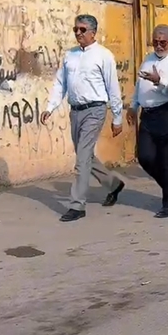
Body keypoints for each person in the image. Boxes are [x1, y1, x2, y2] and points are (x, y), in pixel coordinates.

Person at [41, 14, 124, 222]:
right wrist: (50, 107)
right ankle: (113, 184)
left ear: (93, 32)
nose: (78, 33)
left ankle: (77, 205)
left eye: (83, 29)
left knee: (81, 159)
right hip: (76, 110)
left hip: (95, 110)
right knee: (84, 155)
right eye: (76, 29)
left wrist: (117, 117)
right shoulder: (70, 55)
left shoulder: (103, 56)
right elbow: (61, 83)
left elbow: (113, 88)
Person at [127, 25, 168, 218]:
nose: (159, 45)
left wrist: (159, 80)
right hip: (148, 114)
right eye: (155, 42)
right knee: (145, 156)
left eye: (163, 42)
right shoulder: (148, 59)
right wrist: (133, 105)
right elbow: (139, 85)